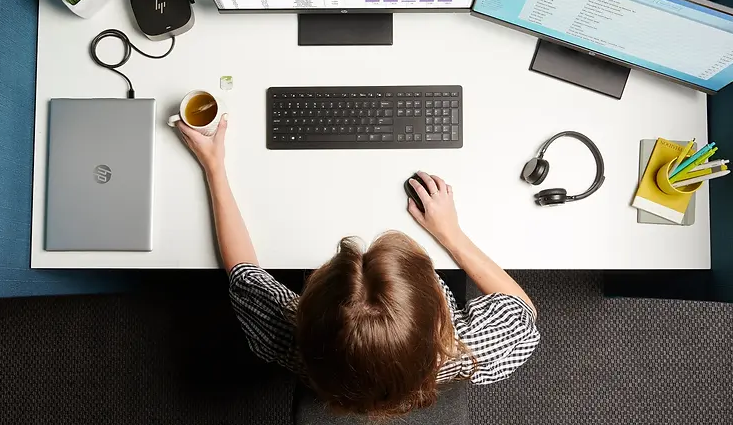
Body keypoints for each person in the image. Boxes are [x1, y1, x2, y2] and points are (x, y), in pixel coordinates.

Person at [176, 114, 540, 419]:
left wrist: (214, 168)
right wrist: (450, 233)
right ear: (439, 318)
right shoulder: (463, 350)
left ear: (307, 306)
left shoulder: (291, 336)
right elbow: (522, 310)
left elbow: (243, 273)